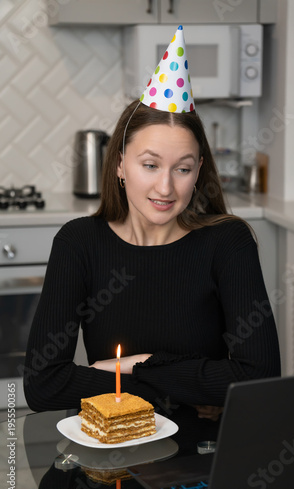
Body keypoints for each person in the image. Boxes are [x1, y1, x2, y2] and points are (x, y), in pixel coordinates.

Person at [24, 27, 280, 430]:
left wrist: (132, 367)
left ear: (198, 172)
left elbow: (258, 377)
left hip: (204, 448)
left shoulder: (227, 242)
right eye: (150, 164)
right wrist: (190, 384)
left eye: (182, 168)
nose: (166, 187)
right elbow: (42, 385)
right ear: (121, 165)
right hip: (113, 444)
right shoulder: (79, 243)